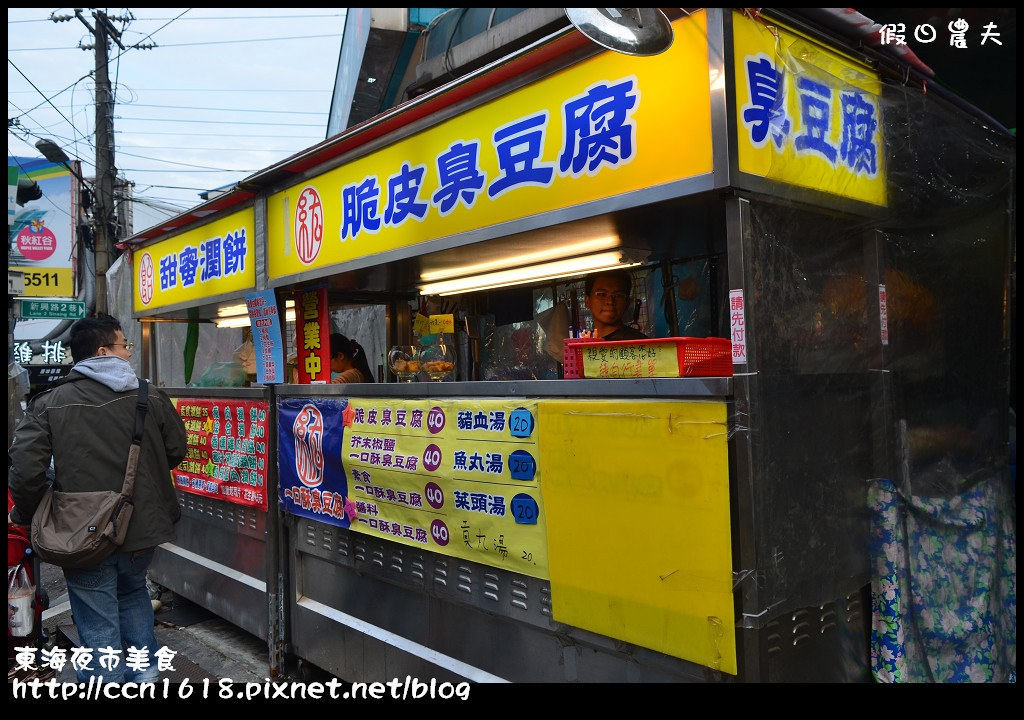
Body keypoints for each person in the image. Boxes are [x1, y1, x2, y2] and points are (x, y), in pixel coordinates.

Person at [7, 313, 187, 685]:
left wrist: (25, 515)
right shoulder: (148, 395)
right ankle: (146, 676)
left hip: (80, 531)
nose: (128, 352)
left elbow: (26, 472)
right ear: (103, 350)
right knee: (134, 591)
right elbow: (175, 450)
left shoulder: (49, 403)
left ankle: (107, 682)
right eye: (125, 345)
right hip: (141, 527)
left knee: (96, 611)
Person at [584, 269, 648, 340]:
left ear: (627, 302)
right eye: (601, 294)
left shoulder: (639, 343)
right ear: (587, 301)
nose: (610, 301)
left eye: (618, 295)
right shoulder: (583, 344)